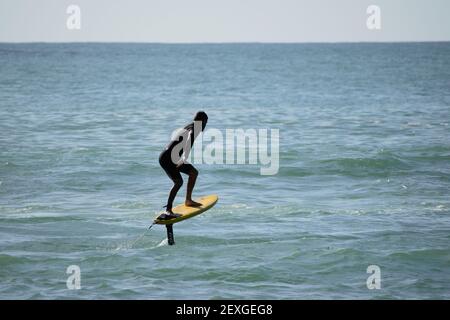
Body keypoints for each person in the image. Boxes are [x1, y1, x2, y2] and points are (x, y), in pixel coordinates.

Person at [157, 111, 208, 220]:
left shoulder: (191, 126)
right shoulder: (196, 127)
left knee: (193, 173)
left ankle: (188, 200)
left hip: (171, 157)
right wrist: (184, 158)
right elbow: (189, 138)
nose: (205, 126)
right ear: (202, 121)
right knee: (178, 182)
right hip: (168, 159)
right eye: (205, 123)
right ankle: (168, 210)